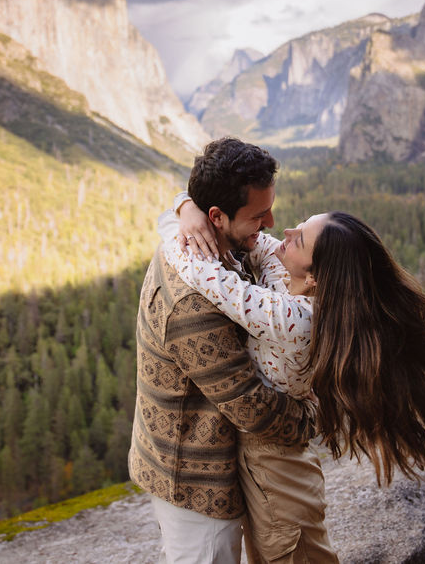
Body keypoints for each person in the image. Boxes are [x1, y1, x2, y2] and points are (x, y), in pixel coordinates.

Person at [165, 202, 425, 525]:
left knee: (288, 551)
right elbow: (258, 242)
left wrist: (174, 224)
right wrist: (191, 207)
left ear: (314, 277)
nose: (287, 232)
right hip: (268, 437)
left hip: (272, 455)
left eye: (300, 239)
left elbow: (205, 275)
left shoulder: (296, 320)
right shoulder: (297, 279)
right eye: (300, 224)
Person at [129, 137, 317, 564]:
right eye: (257, 215)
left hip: (209, 458)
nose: (269, 221)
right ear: (216, 216)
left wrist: (182, 203)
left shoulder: (215, 245)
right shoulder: (192, 306)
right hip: (196, 480)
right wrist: (310, 417)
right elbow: (251, 407)